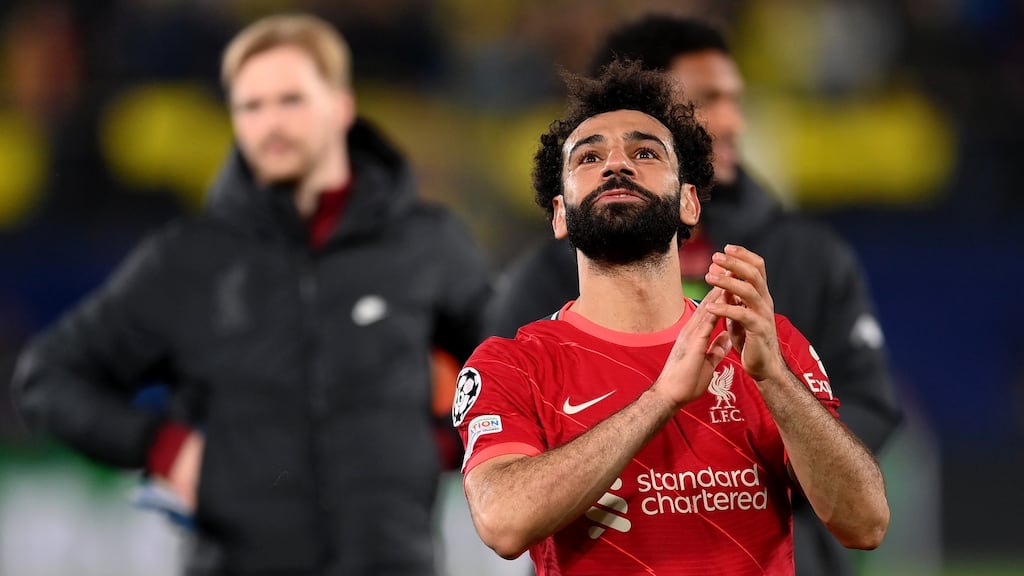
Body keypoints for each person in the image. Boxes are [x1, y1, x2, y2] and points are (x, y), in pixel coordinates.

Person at [11, 13, 491, 576]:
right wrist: (166, 449)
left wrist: (435, 447)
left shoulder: (427, 246)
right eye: (251, 106)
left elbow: (516, 374)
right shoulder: (192, 260)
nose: (272, 125)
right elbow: (48, 378)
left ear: (339, 107)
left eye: (291, 100)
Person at [484, 15, 902, 575]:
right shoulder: (513, 364)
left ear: (689, 203)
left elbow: (866, 522)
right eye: (588, 157)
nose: (616, 164)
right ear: (559, 214)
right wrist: (662, 399)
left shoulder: (765, 346)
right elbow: (503, 523)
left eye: (646, 152)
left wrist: (775, 378)